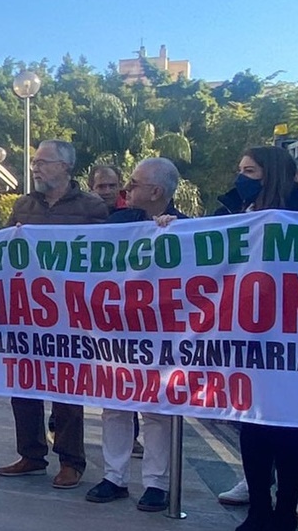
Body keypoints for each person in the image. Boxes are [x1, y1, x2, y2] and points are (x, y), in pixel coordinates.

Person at [212, 146, 298, 531]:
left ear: (271, 173)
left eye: (249, 170)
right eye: (240, 169)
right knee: (253, 423)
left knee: (289, 426)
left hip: (294, 335)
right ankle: (259, 507)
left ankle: (285, 510)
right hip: (246, 334)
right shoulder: (231, 213)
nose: (240, 177)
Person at [0, 139, 109, 490]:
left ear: (65, 166)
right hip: (28, 311)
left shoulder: (93, 208)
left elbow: (108, 256)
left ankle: (71, 461)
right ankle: (31, 454)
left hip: (72, 313)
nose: (36, 167)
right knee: (24, 385)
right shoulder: (24, 205)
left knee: (67, 392)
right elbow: (4, 249)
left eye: (43, 161)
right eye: (34, 162)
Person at [87, 158, 187, 511]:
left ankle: (156, 484)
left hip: (163, 334)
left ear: (156, 191)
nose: (126, 188)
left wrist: (174, 233)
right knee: (114, 405)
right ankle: (114, 477)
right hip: (118, 329)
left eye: (134, 182)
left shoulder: (188, 228)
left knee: (158, 409)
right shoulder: (116, 223)